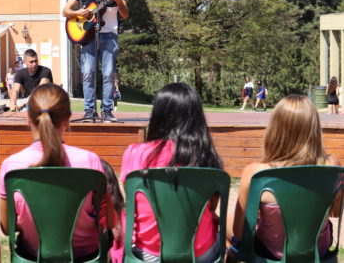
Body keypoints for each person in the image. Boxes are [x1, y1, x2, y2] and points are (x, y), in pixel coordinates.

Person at [0, 84, 114, 260]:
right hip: (85, 257)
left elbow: (7, 227)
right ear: (67, 120)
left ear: (28, 119)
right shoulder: (90, 161)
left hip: (33, 255)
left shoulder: (11, 166)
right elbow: (110, 221)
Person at [228, 95, 341, 260]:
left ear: (275, 129)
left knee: (225, 224)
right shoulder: (332, 165)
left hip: (270, 252)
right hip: (318, 250)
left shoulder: (256, 173)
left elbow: (239, 232)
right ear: (314, 128)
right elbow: (334, 213)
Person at [120, 82, 223, 263]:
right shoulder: (206, 155)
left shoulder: (134, 153)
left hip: (148, 253)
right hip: (200, 253)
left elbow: (132, 201)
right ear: (197, 117)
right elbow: (212, 206)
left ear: (157, 115)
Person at [62, 0, 129, 122]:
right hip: (89, 36)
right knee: (88, 73)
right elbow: (65, 11)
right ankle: (89, 111)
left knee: (108, 74)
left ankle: (107, 110)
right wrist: (78, 12)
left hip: (110, 36)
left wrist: (119, 1)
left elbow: (126, 14)